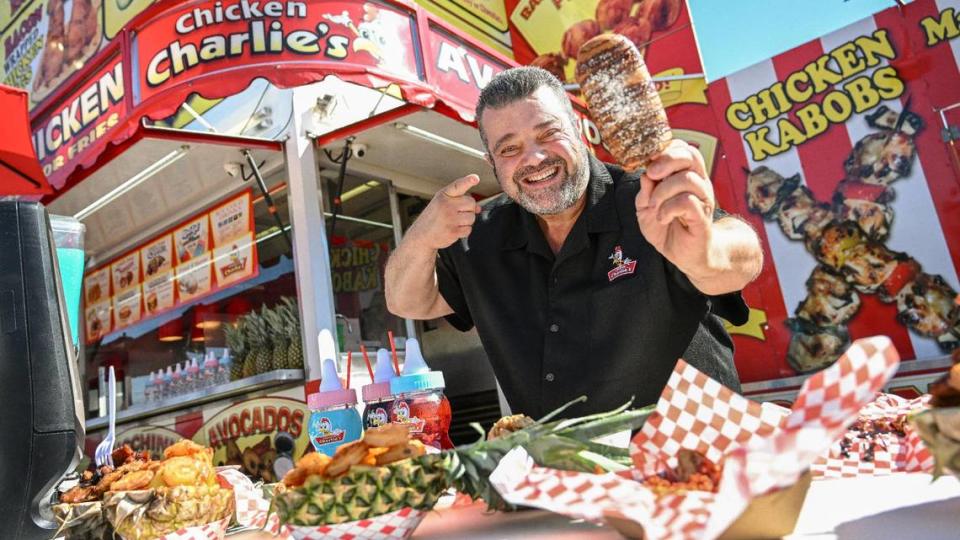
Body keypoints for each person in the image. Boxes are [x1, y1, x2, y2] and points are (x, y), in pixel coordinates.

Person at [384, 67, 763, 418]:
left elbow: (742, 257)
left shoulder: (645, 198)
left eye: (548, 133)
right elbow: (407, 301)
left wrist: (706, 253)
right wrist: (422, 237)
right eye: (509, 149)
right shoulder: (477, 237)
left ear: (578, 130)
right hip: (566, 480)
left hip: (699, 462)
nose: (534, 158)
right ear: (491, 163)